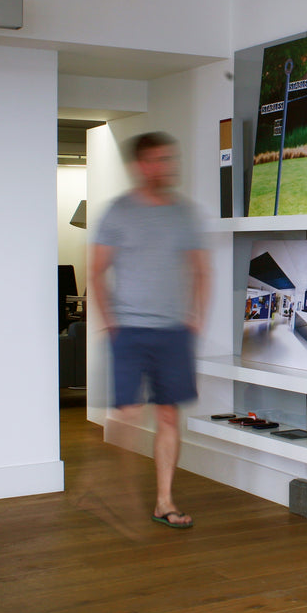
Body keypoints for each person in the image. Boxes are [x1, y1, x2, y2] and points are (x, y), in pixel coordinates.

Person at [90, 131, 209, 529]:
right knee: (127, 414)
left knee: (168, 416)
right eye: (158, 160)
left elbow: (200, 269)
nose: (166, 167)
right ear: (140, 165)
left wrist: (195, 319)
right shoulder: (119, 212)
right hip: (130, 329)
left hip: (173, 333)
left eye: (169, 159)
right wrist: (111, 323)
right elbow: (96, 270)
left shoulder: (183, 213)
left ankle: (164, 501)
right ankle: (117, 493)